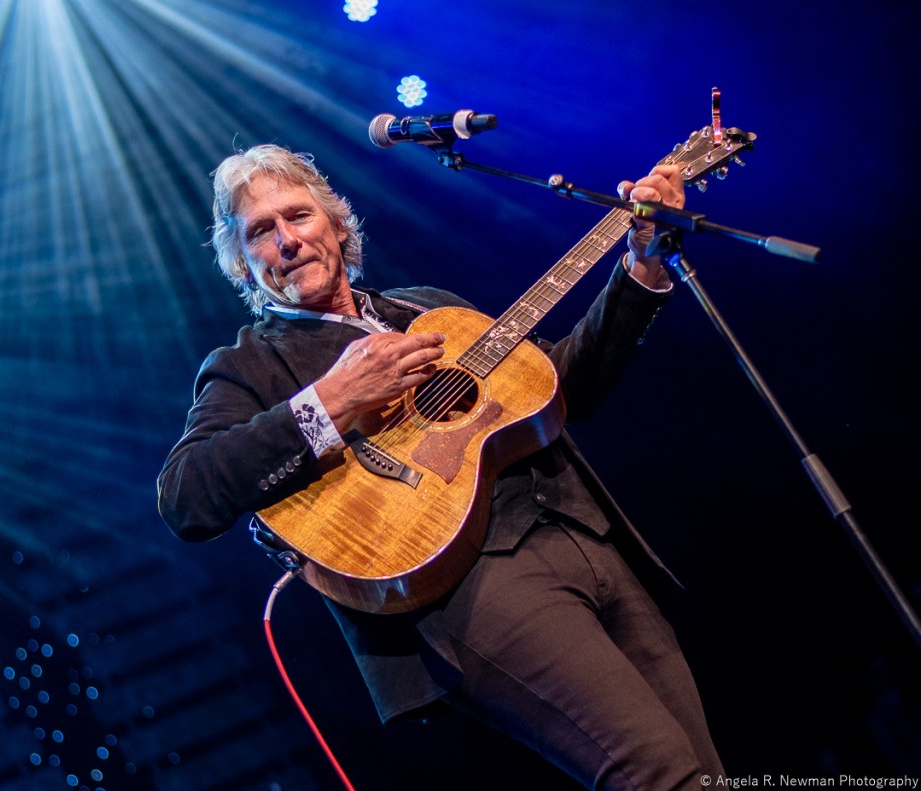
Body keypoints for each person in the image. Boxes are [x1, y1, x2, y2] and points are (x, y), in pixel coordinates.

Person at [157, 143, 726, 788]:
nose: (287, 240)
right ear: (241, 262)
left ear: (337, 226)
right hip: (469, 587)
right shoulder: (249, 365)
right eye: (261, 231)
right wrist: (331, 401)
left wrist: (641, 267)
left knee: (706, 774)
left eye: (299, 215)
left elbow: (562, 386)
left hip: (585, 535)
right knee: (659, 772)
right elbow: (185, 496)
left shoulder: (427, 307)